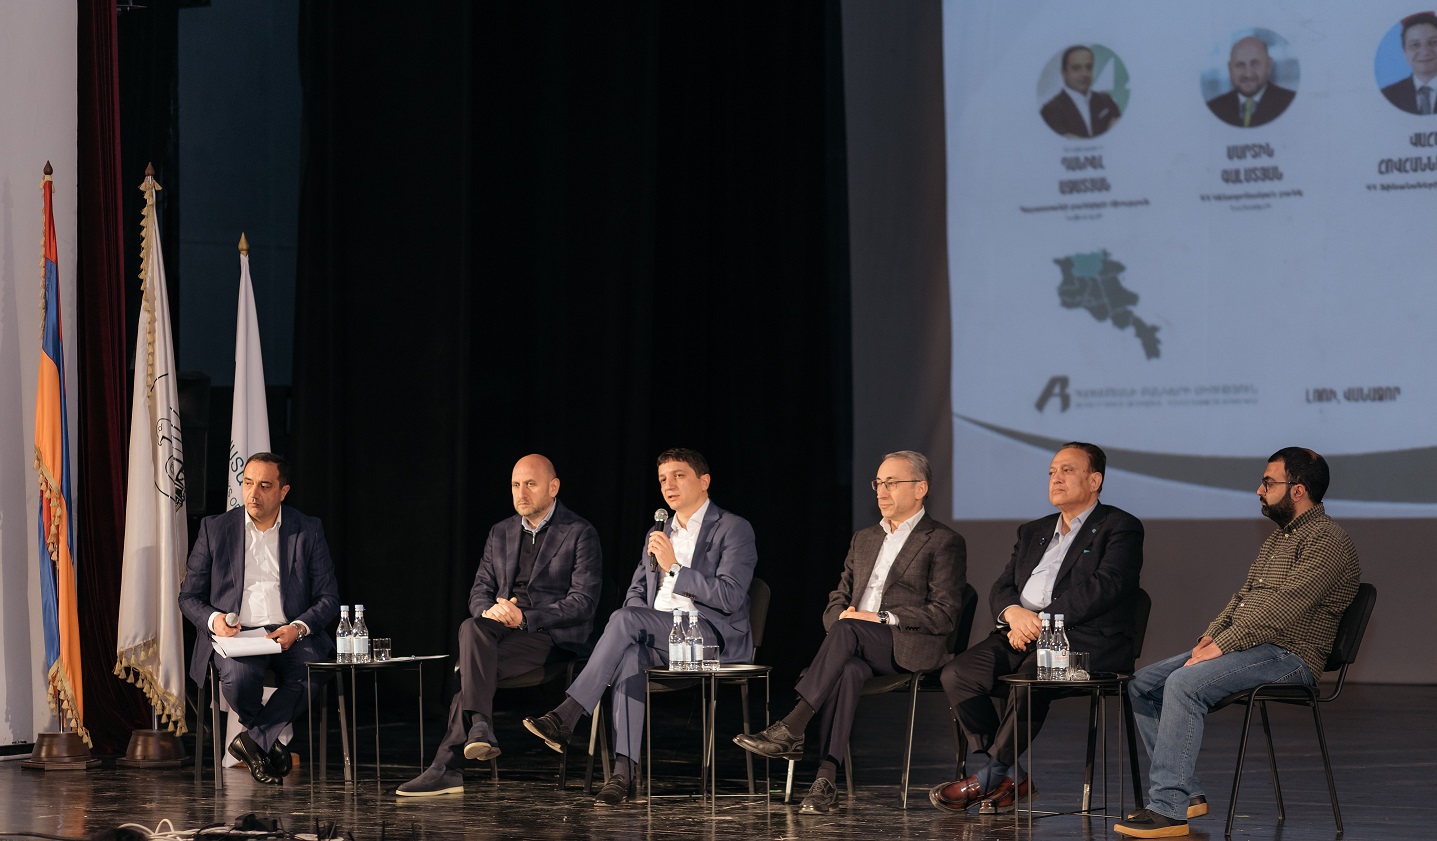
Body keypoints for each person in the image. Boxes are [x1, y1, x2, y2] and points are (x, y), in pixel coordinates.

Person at [1115, 448, 1360, 838]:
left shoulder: (1327, 540)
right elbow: (1243, 598)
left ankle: (1168, 809)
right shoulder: (1279, 539)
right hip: (1254, 648)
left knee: (1183, 684)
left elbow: (1285, 606)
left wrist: (1224, 646)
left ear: (1297, 490)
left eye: (1268, 482)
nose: (1259, 490)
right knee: (1144, 685)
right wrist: (1211, 636)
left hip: (1292, 656)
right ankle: (1187, 794)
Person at [732, 451, 966, 814]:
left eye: (892, 483)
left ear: (920, 488)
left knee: (849, 632)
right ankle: (825, 780)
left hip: (906, 644)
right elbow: (838, 597)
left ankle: (793, 725)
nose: (881, 491)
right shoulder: (865, 538)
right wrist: (841, 618)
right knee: (849, 669)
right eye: (878, 483)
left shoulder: (942, 540)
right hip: (853, 643)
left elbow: (944, 613)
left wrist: (881, 618)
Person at [522, 448, 756, 807]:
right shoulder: (658, 531)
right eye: (662, 479)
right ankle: (622, 773)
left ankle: (568, 714)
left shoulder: (733, 528)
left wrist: (675, 568)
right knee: (630, 652)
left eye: (678, 475)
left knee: (625, 619)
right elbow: (636, 592)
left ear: (704, 481)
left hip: (708, 638)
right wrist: (638, 616)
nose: (668, 485)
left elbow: (731, 596)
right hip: (659, 636)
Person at [929, 442, 1143, 814]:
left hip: (1088, 641)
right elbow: (1003, 585)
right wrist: (1014, 614)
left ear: (1095, 481)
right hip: (1023, 631)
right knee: (959, 673)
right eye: (1051, 472)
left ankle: (991, 774)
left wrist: (1041, 623)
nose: (1055, 478)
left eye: (1067, 470)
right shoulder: (1033, 530)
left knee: (1033, 676)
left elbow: (1106, 586)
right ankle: (1012, 773)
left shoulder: (1119, 526)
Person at [397, 454, 602, 797]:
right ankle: (479, 728)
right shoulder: (501, 531)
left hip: (551, 635)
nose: (522, 492)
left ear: (553, 487)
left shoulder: (580, 532)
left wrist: (527, 618)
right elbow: (480, 590)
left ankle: (448, 766)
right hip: (503, 626)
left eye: (531, 484)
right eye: (515, 485)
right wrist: (490, 610)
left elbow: (583, 602)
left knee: (472, 675)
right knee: (472, 626)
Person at [178, 452, 339, 785]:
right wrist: (214, 620)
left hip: (289, 632)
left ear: (283, 491)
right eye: (248, 483)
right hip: (238, 635)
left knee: (313, 670)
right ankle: (262, 741)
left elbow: (328, 599)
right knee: (238, 679)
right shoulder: (215, 528)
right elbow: (188, 597)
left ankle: (252, 741)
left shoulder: (307, 529)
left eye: (264, 486)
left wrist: (298, 627)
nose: (253, 493)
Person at [1206, 36, 1297, 128]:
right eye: (1240, 65)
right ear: (1230, 69)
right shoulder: (1213, 108)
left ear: (1269, 65)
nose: (1248, 74)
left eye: (1255, 64)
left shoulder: (1290, 103)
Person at [1040, 46, 1123, 139]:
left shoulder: (1106, 101)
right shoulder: (1051, 110)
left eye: (1089, 67)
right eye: (1076, 68)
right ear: (1064, 73)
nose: (1084, 74)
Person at [1381, 12, 1437, 115]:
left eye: (1433, 42)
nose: (1425, 51)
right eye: (1415, 45)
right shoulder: (1388, 95)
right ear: (1405, 52)